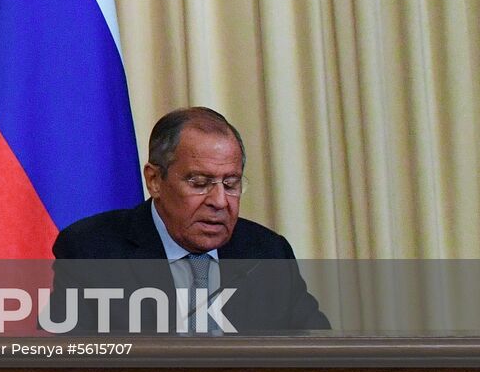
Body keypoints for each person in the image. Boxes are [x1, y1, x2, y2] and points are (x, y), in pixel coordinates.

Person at [51, 107, 328, 333]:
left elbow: (319, 356)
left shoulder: (267, 253)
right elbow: (68, 367)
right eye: (199, 182)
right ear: (155, 180)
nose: (220, 201)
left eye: (231, 184)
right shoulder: (91, 253)